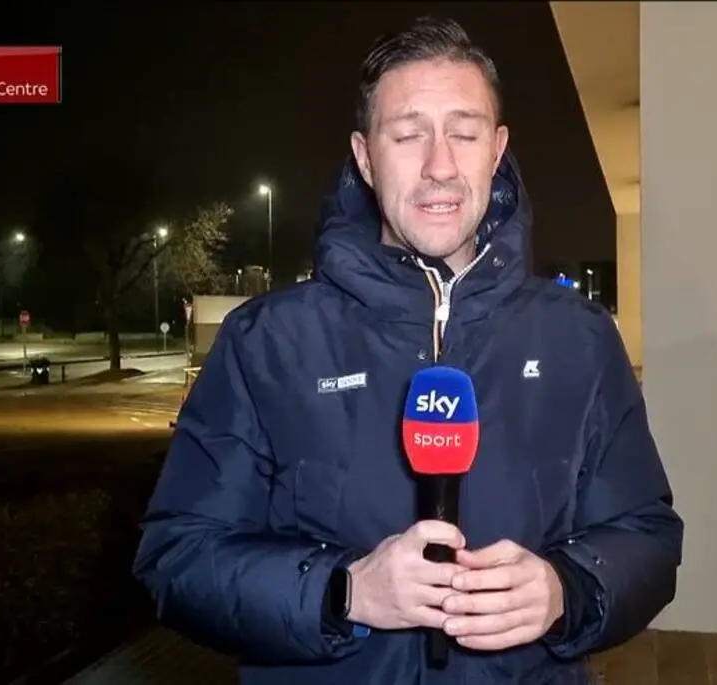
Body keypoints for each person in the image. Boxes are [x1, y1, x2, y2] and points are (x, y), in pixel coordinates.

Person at [134, 16, 683, 685]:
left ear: (497, 150)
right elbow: (177, 556)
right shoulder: (265, 343)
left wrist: (566, 589)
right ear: (365, 158)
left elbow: (647, 535)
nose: (439, 166)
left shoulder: (581, 339)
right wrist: (344, 592)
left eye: (464, 132)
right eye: (408, 134)